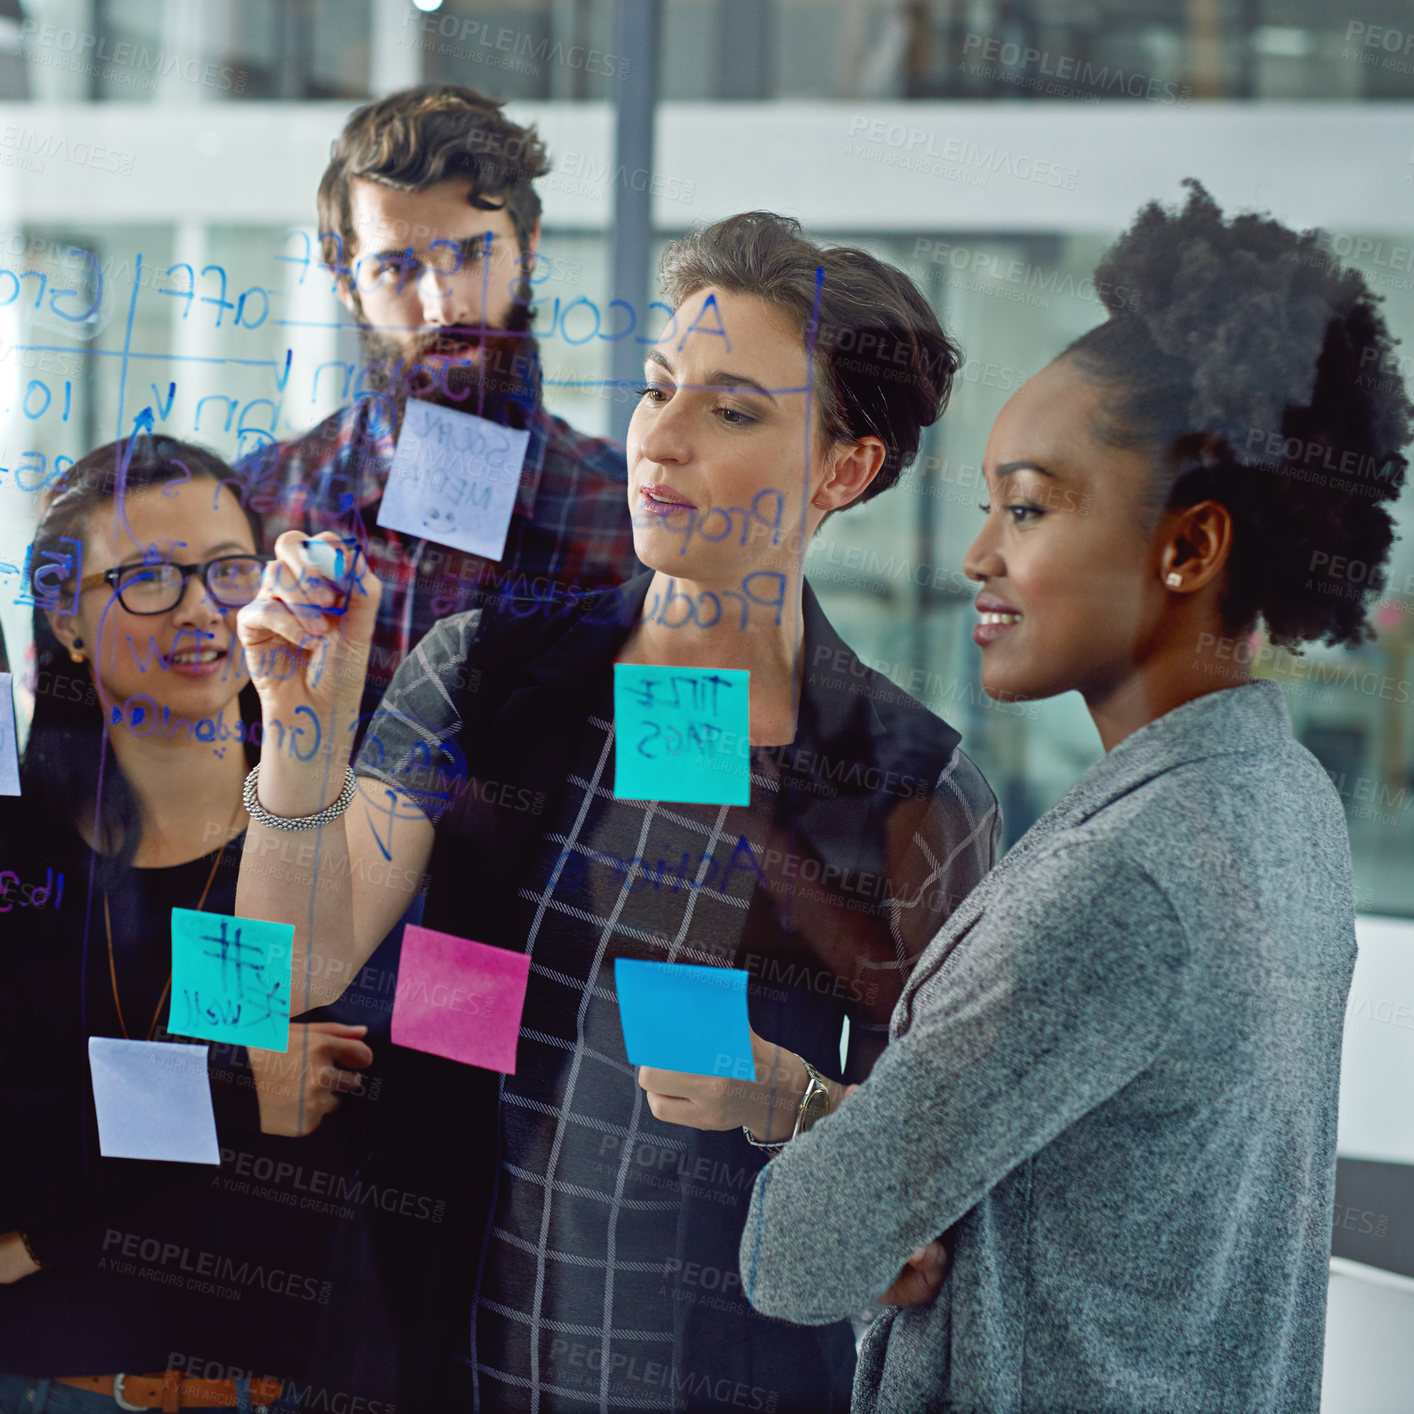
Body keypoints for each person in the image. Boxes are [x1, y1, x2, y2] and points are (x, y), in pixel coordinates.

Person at [233, 211, 1000, 1411]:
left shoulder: (912, 783)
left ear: (844, 469)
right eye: (658, 390)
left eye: (732, 411)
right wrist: (301, 730)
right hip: (437, 1363)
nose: (661, 441)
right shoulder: (481, 672)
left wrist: (790, 1101)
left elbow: (941, 1196)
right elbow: (295, 962)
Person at [736, 181, 1414, 1413]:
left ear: (1190, 549)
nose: (977, 556)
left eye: (1031, 507)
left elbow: (802, 1254)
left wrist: (802, 1121)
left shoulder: (1126, 876)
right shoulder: (1284, 799)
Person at [0, 436, 371, 1411]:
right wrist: (234, 1092)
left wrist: (45, 1235)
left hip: (277, 1387)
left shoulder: (334, 830)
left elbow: (328, 1144)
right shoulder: (16, 846)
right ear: (65, 619)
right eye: (149, 578)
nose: (204, 608)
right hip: (44, 1385)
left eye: (228, 570)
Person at [235, 83, 640, 712]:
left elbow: (692, 795)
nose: (442, 305)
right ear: (344, 280)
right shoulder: (255, 506)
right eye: (396, 267)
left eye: (476, 253)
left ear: (529, 246)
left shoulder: (638, 519)